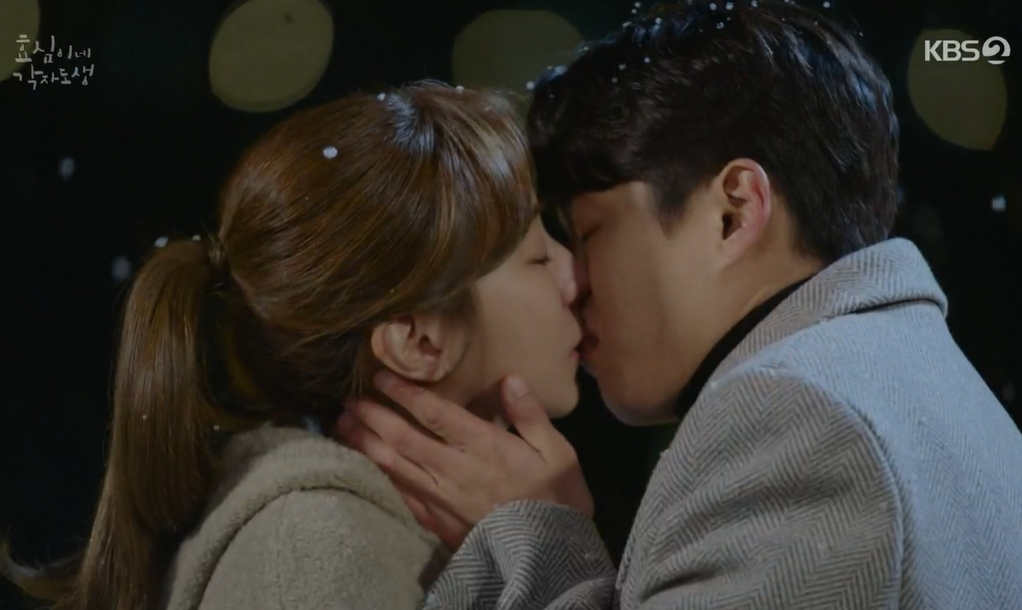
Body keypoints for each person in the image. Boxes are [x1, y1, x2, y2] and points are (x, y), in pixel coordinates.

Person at [336, 2, 1022, 609]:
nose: (573, 281)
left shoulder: (795, 416)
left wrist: (541, 543)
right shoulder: (914, 383)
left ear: (733, 212)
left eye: (589, 234)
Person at [0, 82, 583, 610]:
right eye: (538, 258)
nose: (574, 277)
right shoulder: (314, 558)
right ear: (418, 341)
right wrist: (561, 555)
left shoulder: (358, 539)